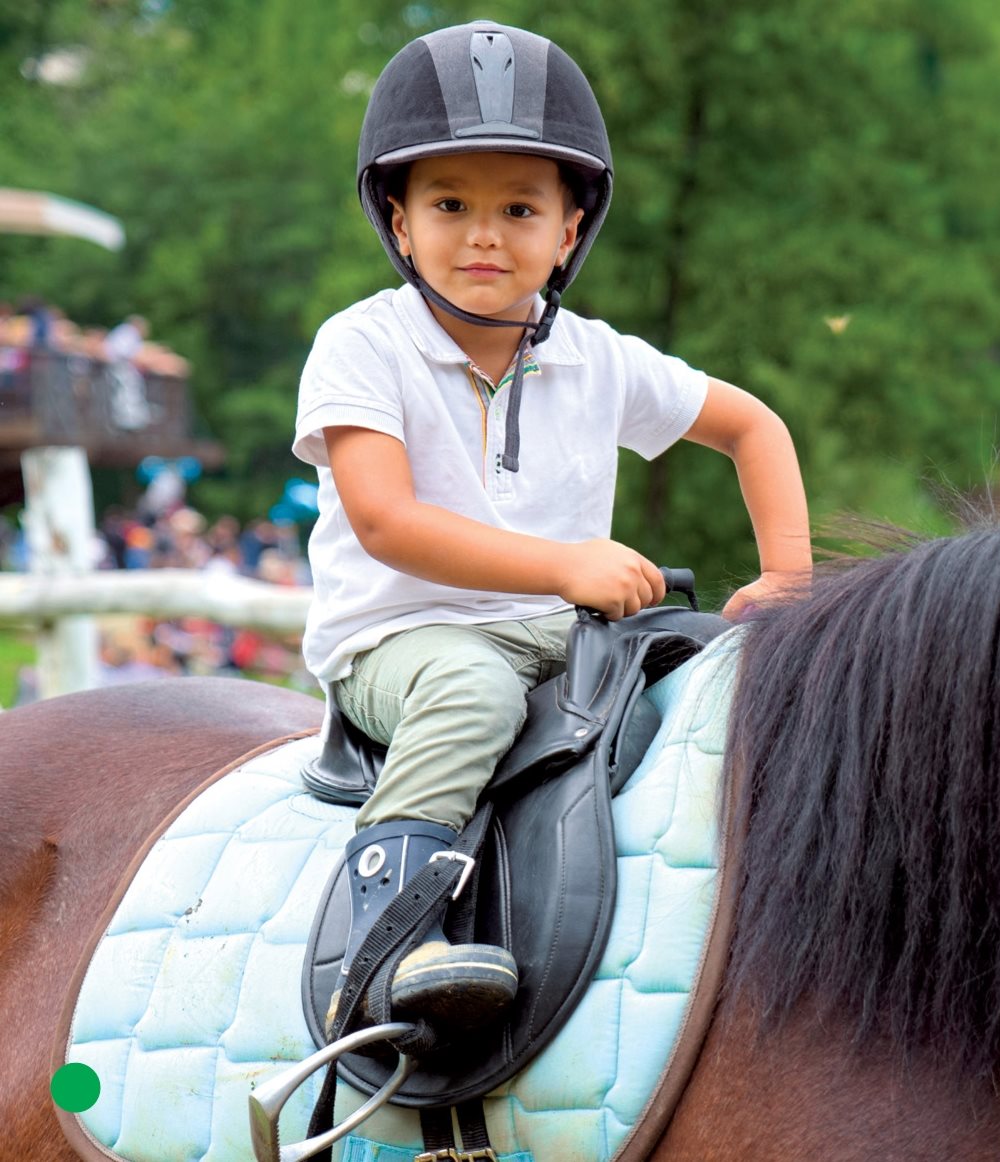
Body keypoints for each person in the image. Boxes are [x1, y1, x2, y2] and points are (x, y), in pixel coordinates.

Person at [293, 20, 811, 1033]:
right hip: (402, 636)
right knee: (471, 688)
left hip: (559, 632)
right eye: (450, 204)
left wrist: (786, 575)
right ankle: (383, 932)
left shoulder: (600, 358)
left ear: (568, 231)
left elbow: (754, 426)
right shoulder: (360, 346)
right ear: (398, 222)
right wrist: (564, 564)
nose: (485, 234)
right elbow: (388, 522)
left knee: (714, 679)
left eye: (519, 208)